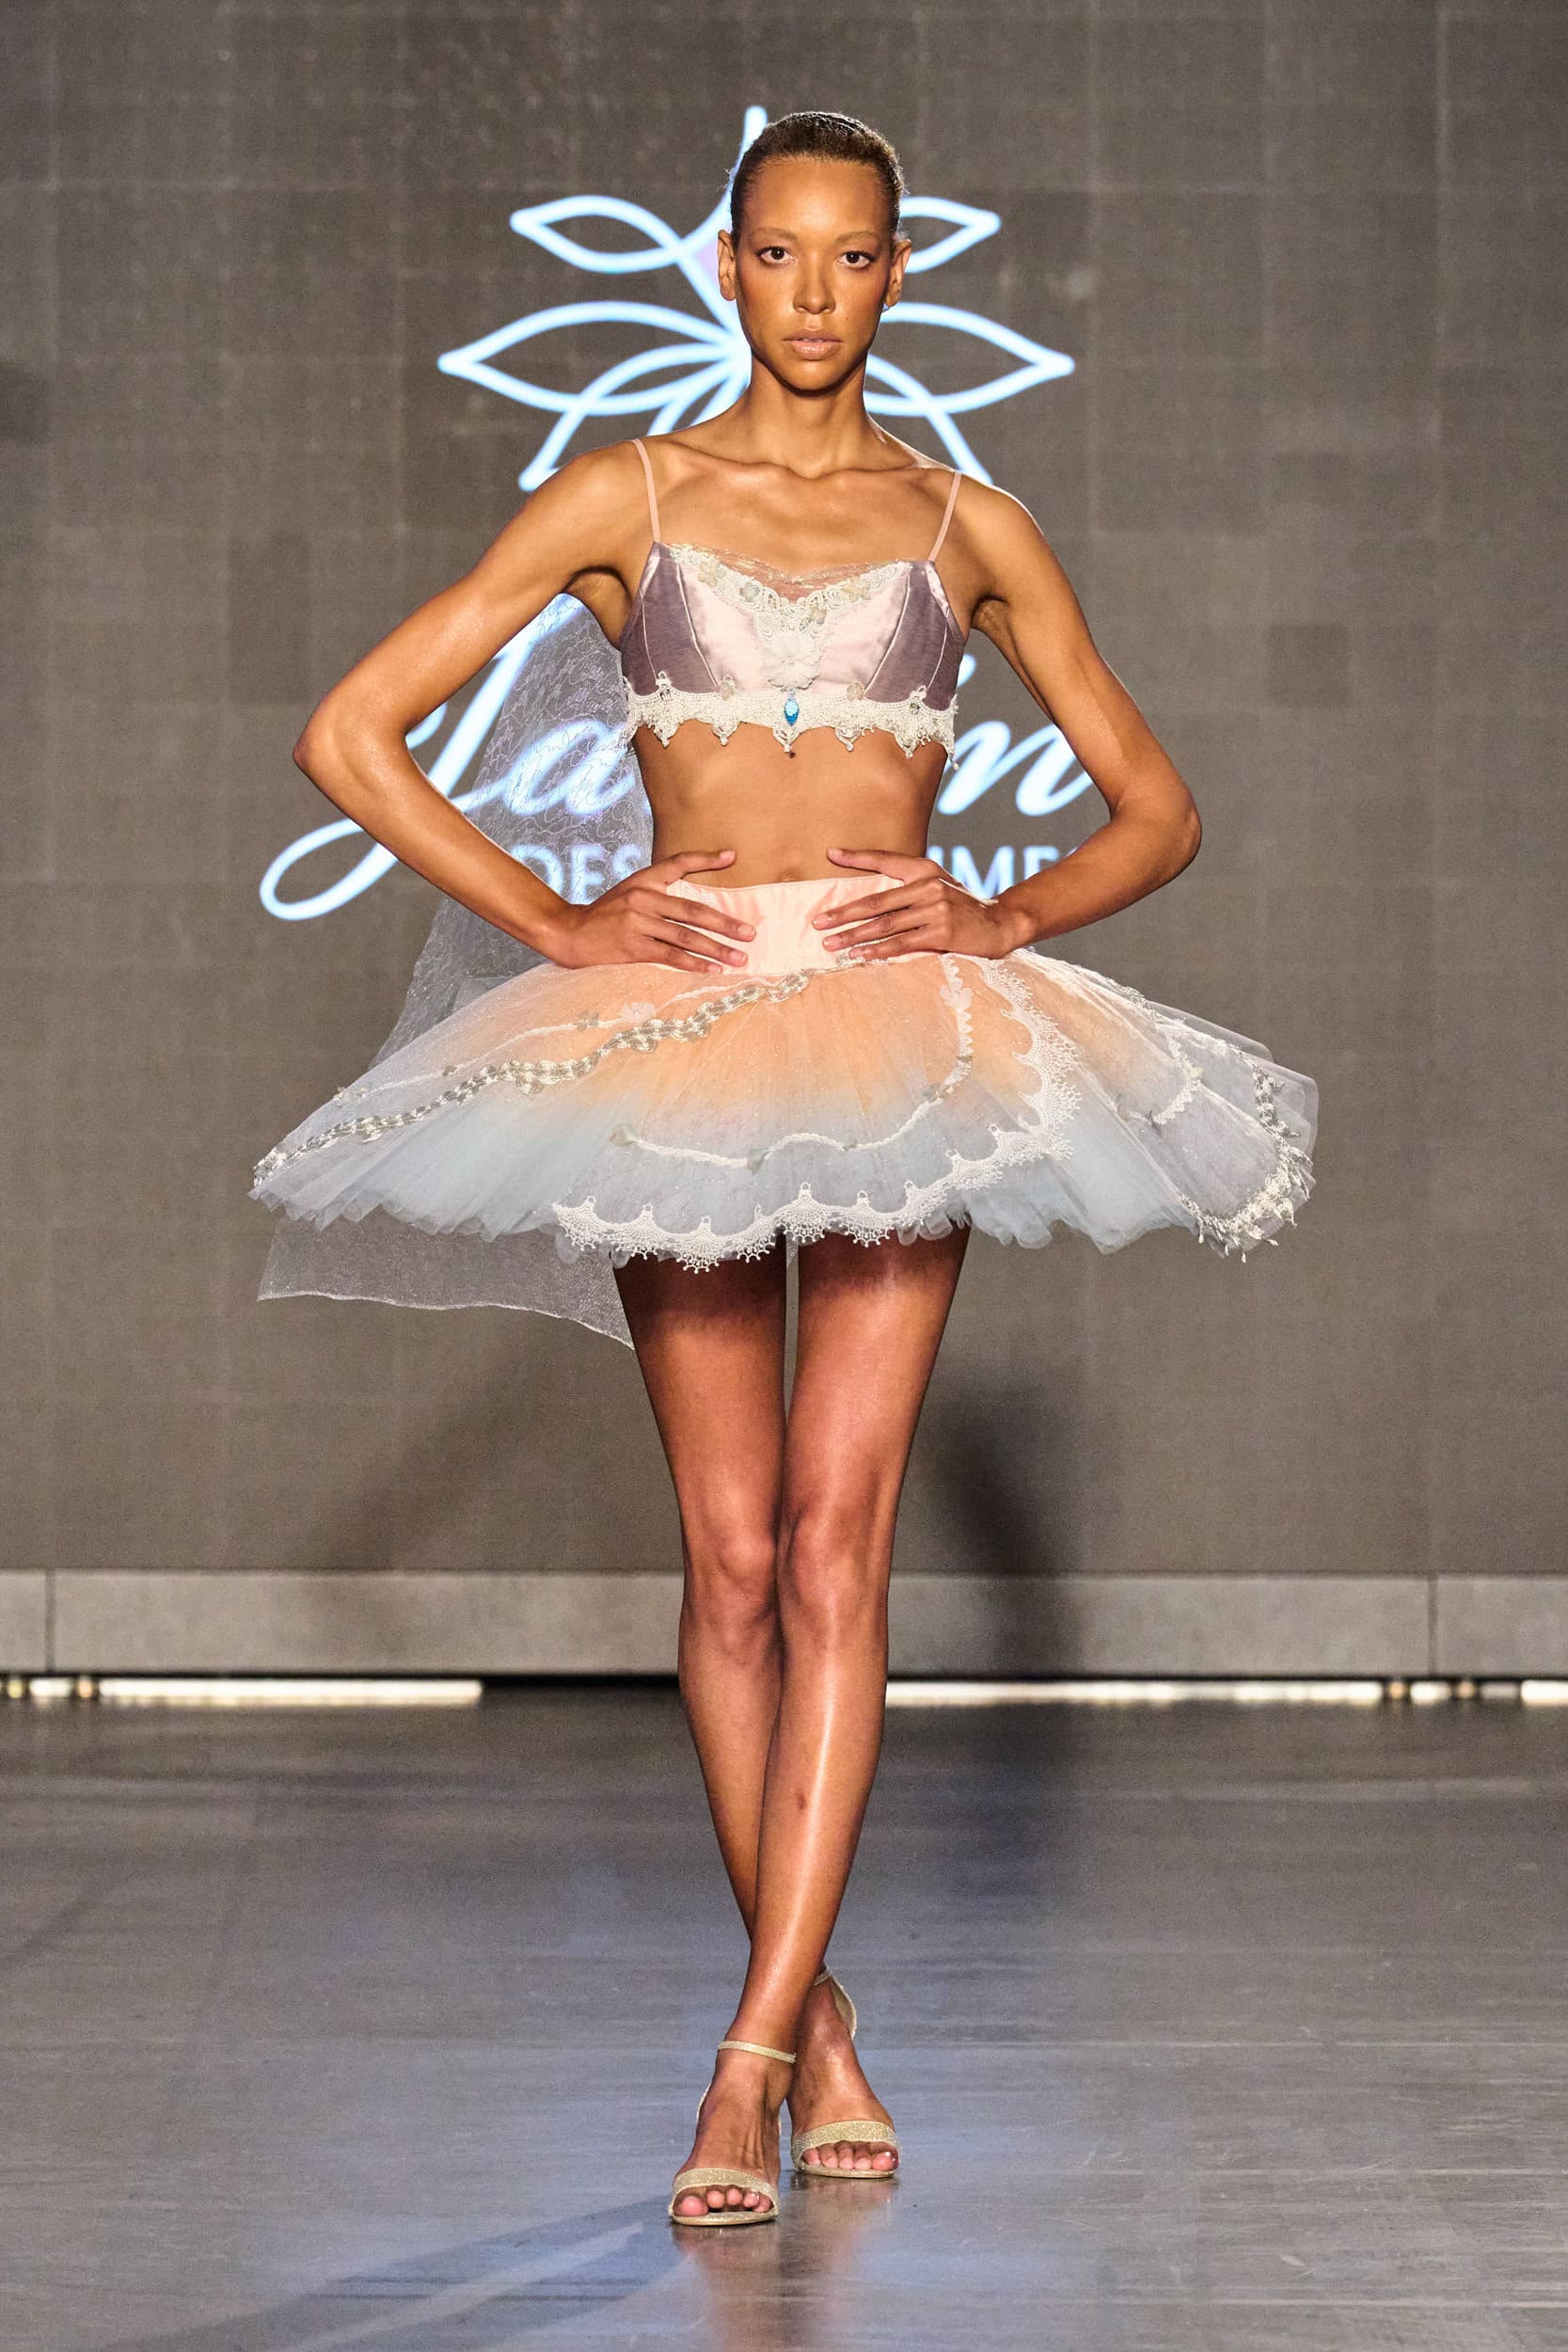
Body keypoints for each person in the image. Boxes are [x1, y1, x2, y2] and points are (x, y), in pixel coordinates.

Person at [252, 110, 1317, 2227]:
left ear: (899, 273)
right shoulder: (628, 494)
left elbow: (1159, 805)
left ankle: (742, 2069)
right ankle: (816, 2021)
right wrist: (558, 923)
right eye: (780, 254)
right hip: (678, 1035)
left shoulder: (969, 522)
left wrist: (1004, 916)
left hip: (905, 1041)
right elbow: (351, 731)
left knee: (839, 1546)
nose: (815, 293)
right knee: (732, 1560)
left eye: (852, 258)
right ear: (722, 267)